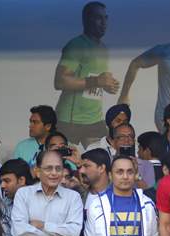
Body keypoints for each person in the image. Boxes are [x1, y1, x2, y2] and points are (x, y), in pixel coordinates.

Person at [54, 1, 120, 147]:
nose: (103, 23)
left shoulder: (102, 48)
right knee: (66, 165)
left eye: (105, 18)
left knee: (102, 159)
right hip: (70, 120)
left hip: (94, 119)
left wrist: (107, 85)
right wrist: (96, 81)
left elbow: (98, 79)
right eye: (98, 18)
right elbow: (59, 81)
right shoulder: (76, 46)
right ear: (87, 19)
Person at [11, 151, 83, 236]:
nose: (54, 173)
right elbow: (18, 230)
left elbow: (73, 232)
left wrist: (43, 225)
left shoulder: (73, 197)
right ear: (37, 171)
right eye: (48, 168)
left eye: (58, 169)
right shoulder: (23, 194)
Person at [84, 154, 159, 236]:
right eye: (119, 172)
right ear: (110, 175)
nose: (125, 177)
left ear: (135, 175)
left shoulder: (147, 204)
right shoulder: (97, 205)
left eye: (130, 172)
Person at [110, 123, 156, 189]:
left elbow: (149, 193)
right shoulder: (107, 163)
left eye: (130, 136)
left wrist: (137, 174)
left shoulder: (146, 165)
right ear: (113, 143)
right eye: (121, 137)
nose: (126, 140)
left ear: (134, 141)